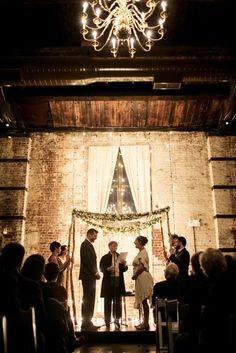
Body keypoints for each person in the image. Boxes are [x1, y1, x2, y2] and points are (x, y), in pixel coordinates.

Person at [99, 240, 128, 328]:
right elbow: (101, 269)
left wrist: (125, 265)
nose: (114, 248)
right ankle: (107, 321)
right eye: (113, 246)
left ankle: (117, 319)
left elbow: (124, 269)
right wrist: (108, 269)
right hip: (108, 281)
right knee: (107, 301)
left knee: (117, 301)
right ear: (109, 247)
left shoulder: (120, 256)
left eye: (116, 246)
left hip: (118, 280)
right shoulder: (105, 257)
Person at [79, 228, 100, 331]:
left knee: (90, 299)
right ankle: (86, 322)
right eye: (95, 236)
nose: (95, 238)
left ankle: (88, 321)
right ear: (90, 234)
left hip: (90, 276)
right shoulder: (85, 245)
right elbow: (87, 260)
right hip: (88, 276)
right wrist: (95, 272)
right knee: (88, 299)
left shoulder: (89, 245)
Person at [132, 235, 153, 331]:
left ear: (140, 242)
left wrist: (135, 275)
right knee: (142, 300)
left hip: (142, 277)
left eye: (135, 240)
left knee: (144, 300)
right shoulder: (141, 252)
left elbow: (141, 267)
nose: (134, 242)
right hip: (140, 278)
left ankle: (145, 323)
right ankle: (144, 322)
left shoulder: (143, 253)